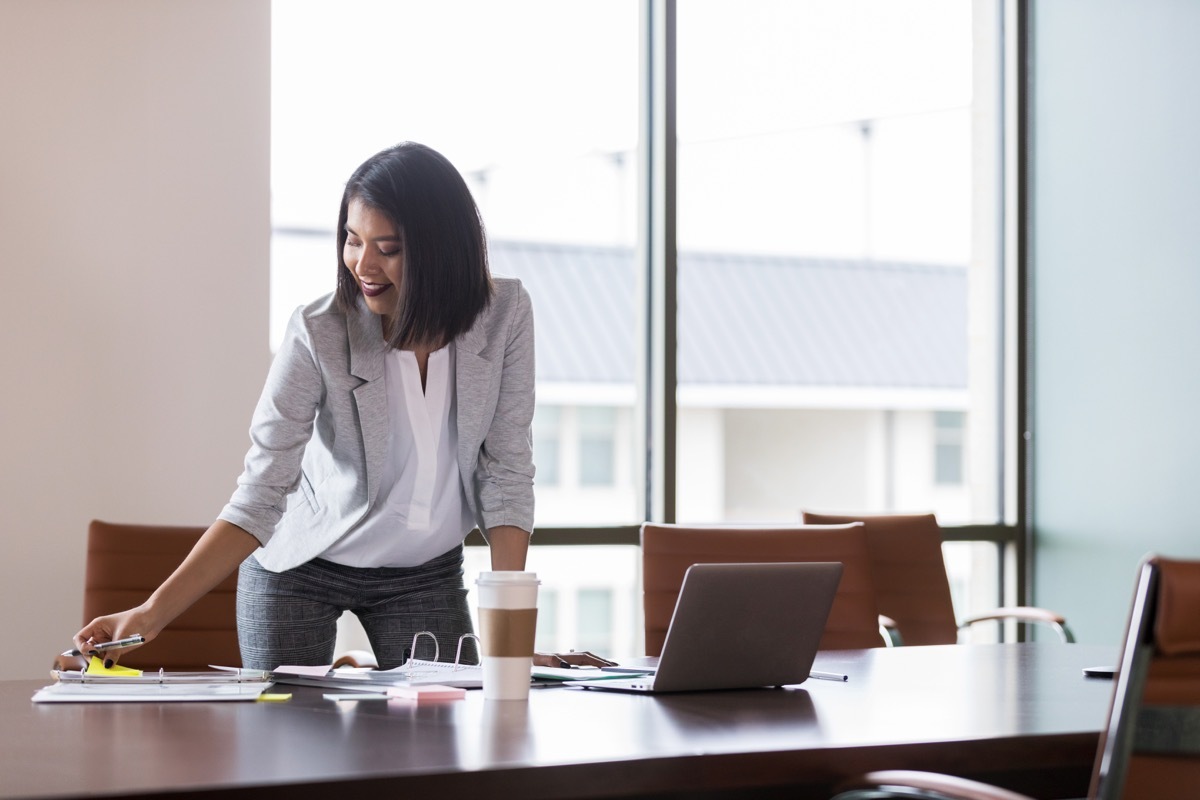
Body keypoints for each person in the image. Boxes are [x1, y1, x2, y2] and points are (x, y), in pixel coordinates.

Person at [73, 142, 535, 670]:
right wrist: (152, 613)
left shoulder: (505, 315)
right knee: (284, 739)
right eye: (352, 239)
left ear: (441, 251)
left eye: (388, 248)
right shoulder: (319, 333)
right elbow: (262, 491)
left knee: (444, 734)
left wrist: (510, 629)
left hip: (424, 572)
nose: (363, 264)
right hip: (301, 567)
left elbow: (506, 471)